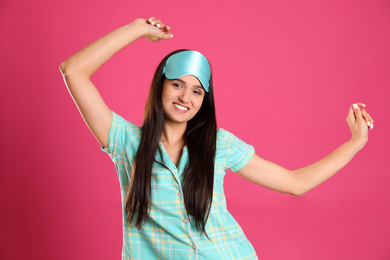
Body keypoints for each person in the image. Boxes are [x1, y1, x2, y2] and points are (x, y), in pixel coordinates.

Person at [59, 17, 374, 260]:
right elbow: (73, 70)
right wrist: (138, 29)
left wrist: (354, 143)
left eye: (197, 90)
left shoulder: (219, 144)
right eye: (177, 85)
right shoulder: (126, 142)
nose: (186, 97)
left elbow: (295, 183)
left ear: (204, 100)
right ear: (161, 86)